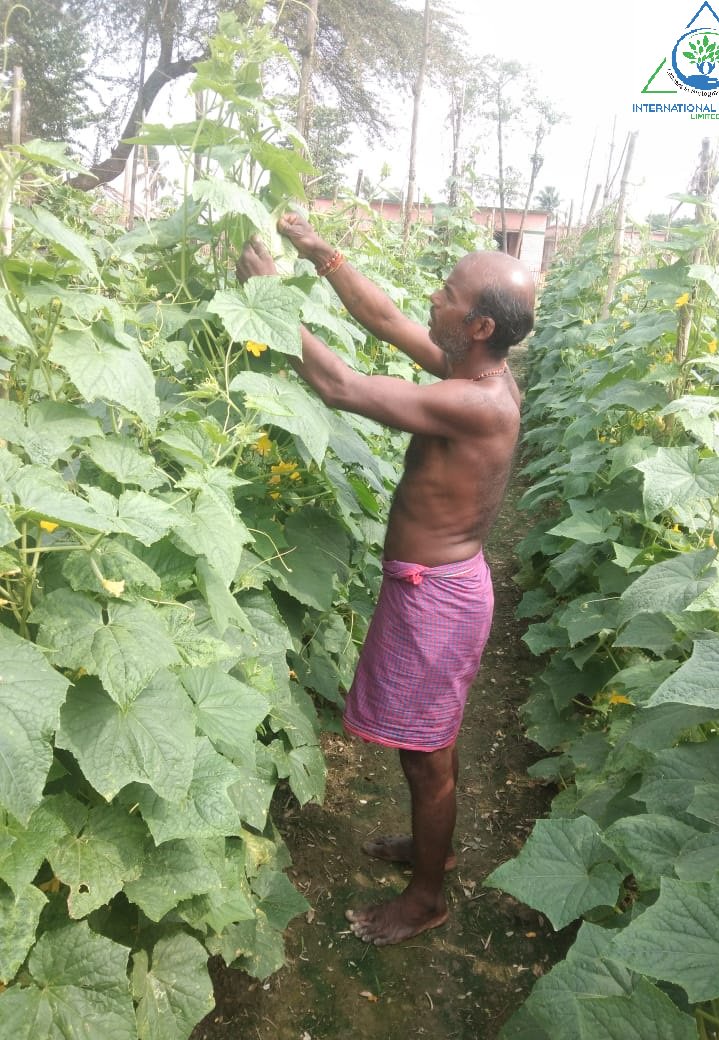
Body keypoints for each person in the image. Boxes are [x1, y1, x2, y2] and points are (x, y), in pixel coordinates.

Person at [237, 213, 534, 946]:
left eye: (448, 294)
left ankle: (427, 898)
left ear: (480, 327)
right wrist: (322, 252)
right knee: (431, 743)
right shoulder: (475, 369)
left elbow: (340, 386)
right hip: (435, 588)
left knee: (427, 758)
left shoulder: (477, 402)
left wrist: (268, 303)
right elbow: (389, 319)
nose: (433, 297)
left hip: (439, 601)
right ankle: (434, 848)